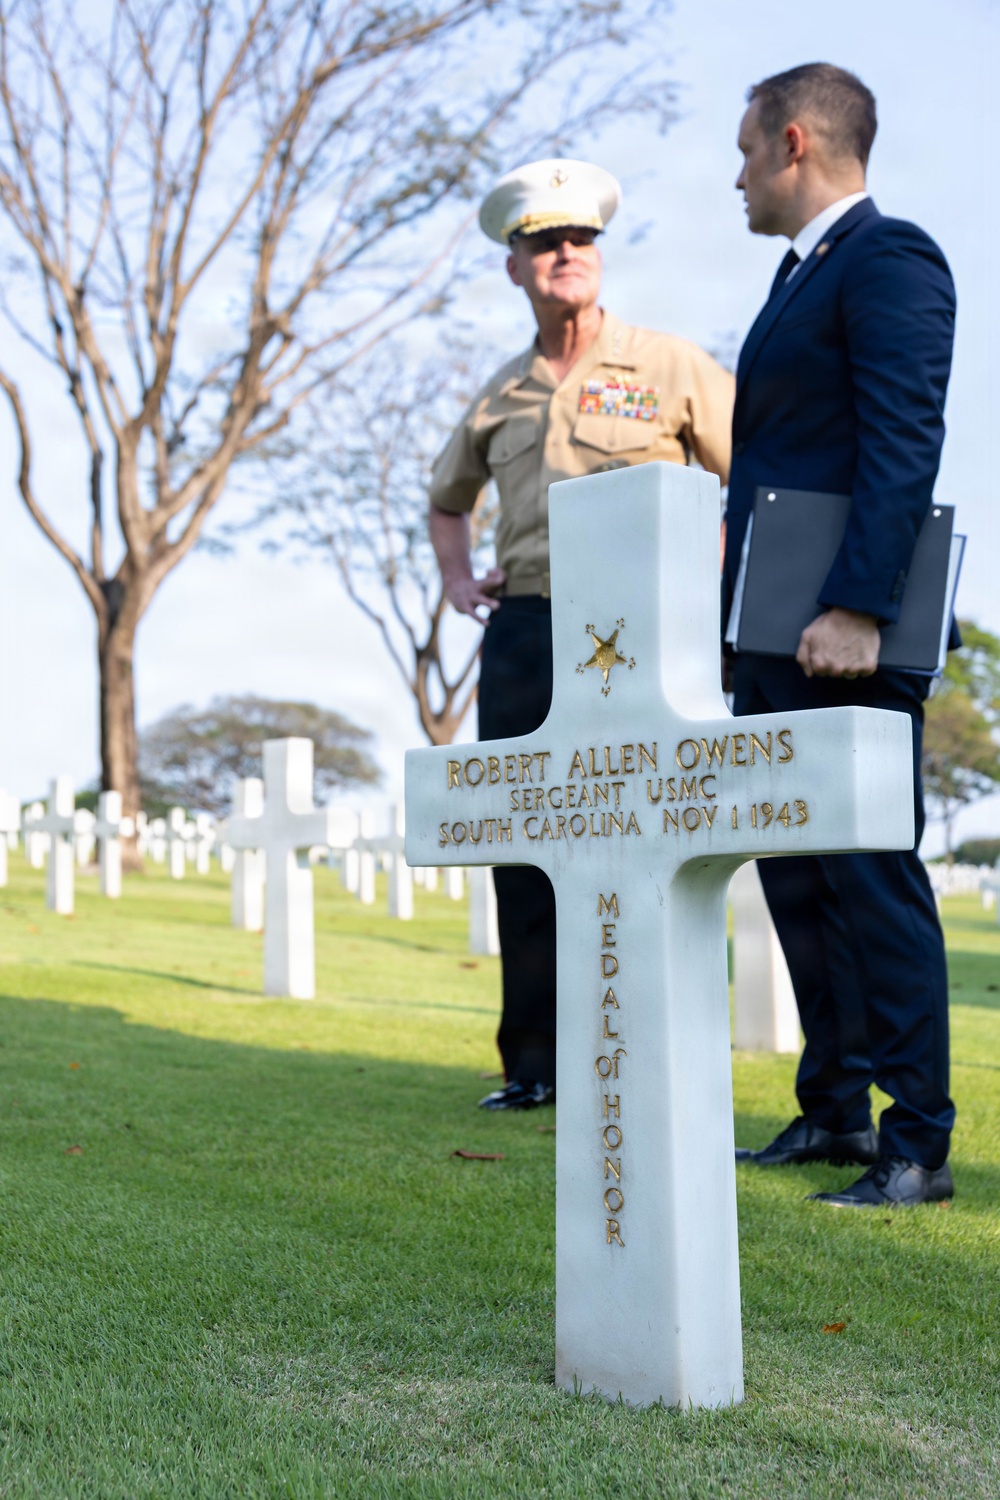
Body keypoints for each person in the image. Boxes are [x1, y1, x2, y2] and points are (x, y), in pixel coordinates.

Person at [429, 157, 734, 1109]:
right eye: (545, 242)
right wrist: (454, 576)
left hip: (644, 626)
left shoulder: (669, 364)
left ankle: (652, 1052)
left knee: (652, 837)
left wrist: (711, 583)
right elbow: (447, 500)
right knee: (522, 841)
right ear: (513, 266)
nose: (567, 253)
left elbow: (745, 478)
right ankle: (535, 1066)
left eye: (581, 239)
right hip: (526, 625)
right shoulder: (501, 395)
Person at [726, 64, 957, 1206]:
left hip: (844, 634)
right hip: (772, 637)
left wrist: (860, 605)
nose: (735, 177)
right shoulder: (793, 277)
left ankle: (915, 1142)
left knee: (870, 880)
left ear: (793, 141)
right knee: (798, 883)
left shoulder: (888, 256)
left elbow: (902, 440)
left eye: (742, 152)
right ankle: (834, 1114)